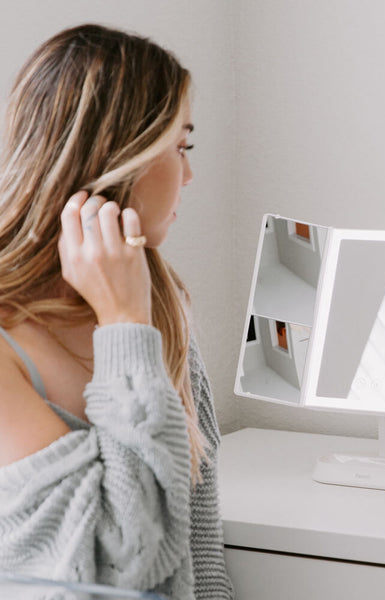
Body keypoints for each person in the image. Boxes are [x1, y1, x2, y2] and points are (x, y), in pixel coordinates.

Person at [0, 23, 234, 600]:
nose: (190, 175)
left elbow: (197, 544)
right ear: (118, 158)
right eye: (180, 148)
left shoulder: (160, 305)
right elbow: (123, 565)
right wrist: (125, 327)